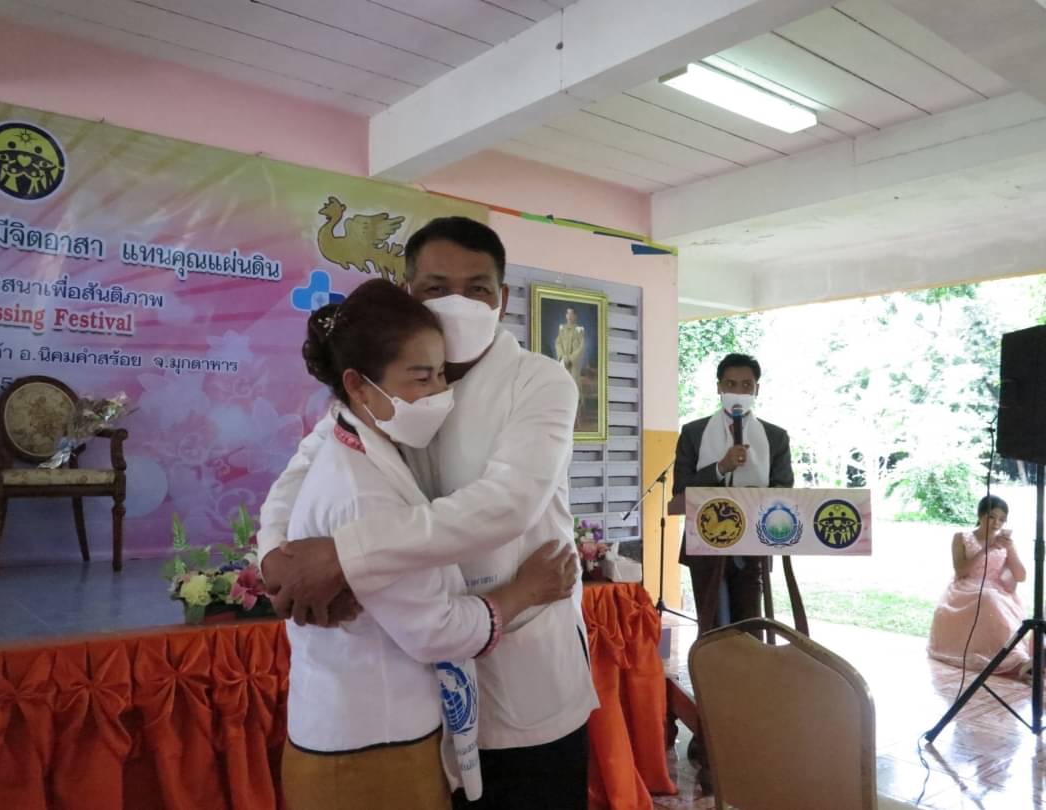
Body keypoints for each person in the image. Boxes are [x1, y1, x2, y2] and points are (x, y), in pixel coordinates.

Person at [258, 217, 598, 810]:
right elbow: (302, 466)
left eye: (477, 289)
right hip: (425, 691)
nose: (457, 304)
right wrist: (274, 556)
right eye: (437, 288)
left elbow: (507, 504)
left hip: (524, 674)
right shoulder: (384, 383)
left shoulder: (540, 382)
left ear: (503, 299)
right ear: (409, 293)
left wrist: (345, 556)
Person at [672, 352, 794, 635]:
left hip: (753, 547)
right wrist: (720, 467)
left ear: (756, 389)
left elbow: (783, 490)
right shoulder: (693, 433)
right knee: (711, 626)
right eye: (730, 384)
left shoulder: (775, 437)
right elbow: (681, 491)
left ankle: (748, 663)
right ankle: (712, 662)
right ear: (719, 387)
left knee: (749, 623)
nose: (738, 391)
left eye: (746, 385)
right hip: (704, 543)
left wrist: (752, 497)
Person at [928, 495, 1030, 679]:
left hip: (996, 589)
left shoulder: (1005, 543)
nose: (996, 523)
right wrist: (987, 548)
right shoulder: (961, 538)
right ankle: (1010, 659)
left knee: (993, 598)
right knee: (988, 598)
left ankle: (1015, 657)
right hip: (966, 587)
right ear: (980, 515)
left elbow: (1021, 576)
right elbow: (961, 570)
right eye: (992, 517)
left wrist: (1010, 549)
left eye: (1002, 519)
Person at [555, 306, 585, 416]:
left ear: (575, 316)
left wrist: (571, 358)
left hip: (574, 364)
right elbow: (558, 343)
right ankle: (563, 413)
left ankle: (577, 414)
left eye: (571, 314)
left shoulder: (579, 330)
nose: (569, 316)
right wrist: (563, 357)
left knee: (574, 385)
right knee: (563, 385)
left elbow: (581, 347)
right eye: (568, 313)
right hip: (564, 362)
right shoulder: (562, 329)